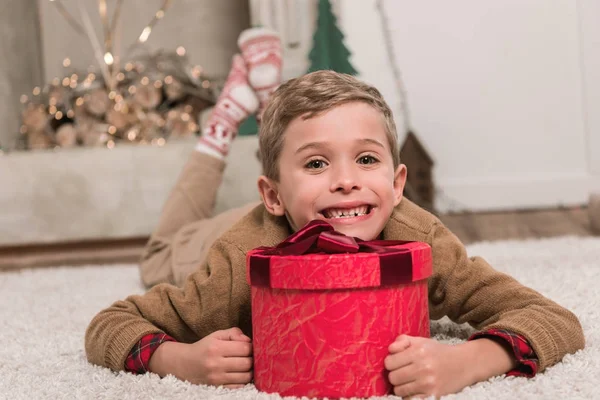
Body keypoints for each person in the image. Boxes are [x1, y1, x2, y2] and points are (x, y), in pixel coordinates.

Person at [85, 29, 585, 399]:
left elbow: (553, 319)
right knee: (161, 248)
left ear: (396, 183)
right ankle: (221, 127)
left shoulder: (417, 237)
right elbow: (110, 325)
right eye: (319, 162)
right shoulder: (239, 261)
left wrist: (469, 361)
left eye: (366, 159)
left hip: (304, 207)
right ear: (273, 196)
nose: (347, 179)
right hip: (205, 242)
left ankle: (279, 127)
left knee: (304, 172)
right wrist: (182, 359)